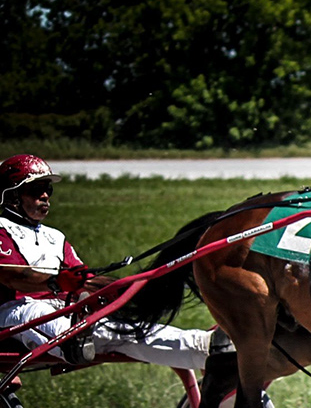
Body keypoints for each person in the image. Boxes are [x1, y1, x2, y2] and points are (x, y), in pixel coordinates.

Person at [0, 154, 217, 369]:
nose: (45, 196)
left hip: (64, 310)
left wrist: (129, 288)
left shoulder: (54, 236)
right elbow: (12, 277)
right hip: (14, 312)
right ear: (11, 195)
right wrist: (57, 281)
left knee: (127, 332)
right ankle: (72, 340)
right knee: (35, 312)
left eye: (48, 189)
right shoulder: (2, 229)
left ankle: (207, 348)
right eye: (36, 190)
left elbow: (83, 280)